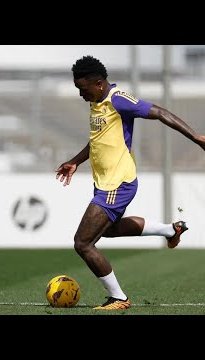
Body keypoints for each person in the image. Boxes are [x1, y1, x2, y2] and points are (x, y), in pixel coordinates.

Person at [56, 55, 205, 310]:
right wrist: (76, 161)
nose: (82, 95)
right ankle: (171, 230)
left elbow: (159, 112)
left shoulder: (118, 99)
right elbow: (97, 140)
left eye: (83, 89)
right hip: (105, 183)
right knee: (108, 230)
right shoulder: (97, 102)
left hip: (118, 184)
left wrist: (195, 137)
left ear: (99, 83)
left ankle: (118, 298)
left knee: (83, 242)